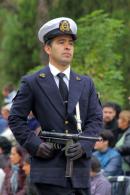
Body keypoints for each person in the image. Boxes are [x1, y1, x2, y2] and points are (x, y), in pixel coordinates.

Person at [8, 17, 103, 195]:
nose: (68, 47)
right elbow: (15, 119)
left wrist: (83, 145)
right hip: (48, 170)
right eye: (61, 42)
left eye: (70, 43)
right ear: (48, 48)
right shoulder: (33, 82)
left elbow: (96, 119)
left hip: (80, 171)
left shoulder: (85, 83)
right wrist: (35, 145)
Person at [116, 110, 130, 175]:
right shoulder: (123, 132)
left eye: (119, 118)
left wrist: (112, 151)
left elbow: (128, 146)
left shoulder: (129, 132)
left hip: (127, 168)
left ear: (125, 121)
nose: (118, 121)